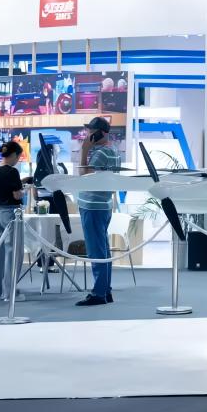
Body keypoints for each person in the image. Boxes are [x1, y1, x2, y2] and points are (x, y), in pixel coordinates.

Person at [76, 117, 121, 306]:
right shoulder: (112, 151)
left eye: (91, 131)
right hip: (102, 205)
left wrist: (84, 150)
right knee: (102, 249)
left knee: (96, 251)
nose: (88, 134)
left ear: (101, 133)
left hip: (92, 206)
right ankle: (105, 290)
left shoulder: (101, 153)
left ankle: (99, 293)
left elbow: (84, 175)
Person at [0, 140, 26, 302]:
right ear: (14, 154)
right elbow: (16, 195)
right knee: (13, 253)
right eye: (19, 156)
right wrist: (23, 191)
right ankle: (10, 293)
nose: (18, 160)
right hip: (11, 214)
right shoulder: (12, 172)